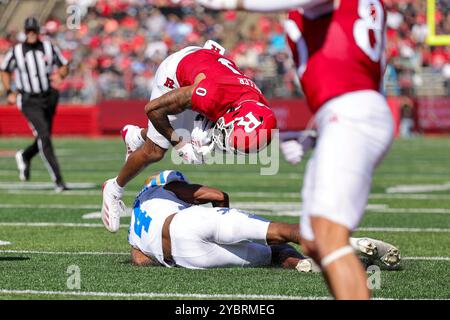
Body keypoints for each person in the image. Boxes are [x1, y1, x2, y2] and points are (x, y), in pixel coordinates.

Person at [197, 0, 394, 299]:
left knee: (329, 238)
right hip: (349, 112)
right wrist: (316, 134)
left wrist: (234, 3)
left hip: (351, 115)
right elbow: (353, 74)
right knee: (314, 241)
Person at [102, 41, 277, 233]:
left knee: (194, 136)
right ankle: (113, 188)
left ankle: (136, 136)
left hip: (209, 68)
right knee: (155, 150)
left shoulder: (257, 104)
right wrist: (180, 144)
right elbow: (152, 110)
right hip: (176, 73)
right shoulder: (210, 95)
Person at [128, 170, 401, 271]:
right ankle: (352, 243)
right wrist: (222, 217)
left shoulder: (136, 222)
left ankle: (301, 264)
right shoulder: (163, 188)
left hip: (184, 257)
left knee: (270, 256)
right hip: (187, 222)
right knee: (282, 232)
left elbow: (140, 260)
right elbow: (216, 194)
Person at [0, 17, 70, 192]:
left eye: (34, 30)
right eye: (29, 31)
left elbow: (64, 64)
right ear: (25, 32)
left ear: (38, 31)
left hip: (48, 97)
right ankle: (59, 180)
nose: (31, 34)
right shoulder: (16, 50)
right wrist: (9, 91)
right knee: (44, 137)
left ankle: (25, 155)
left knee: (43, 136)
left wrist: (60, 75)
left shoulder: (48, 46)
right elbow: (5, 69)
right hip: (28, 100)